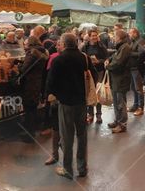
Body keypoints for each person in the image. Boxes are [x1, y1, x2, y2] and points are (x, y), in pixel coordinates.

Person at [46, 33, 89, 179]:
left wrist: (52, 95)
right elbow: (93, 76)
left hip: (65, 103)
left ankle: (68, 169)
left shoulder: (58, 60)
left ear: (63, 44)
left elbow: (51, 82)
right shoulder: (84, 57)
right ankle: (82, 168)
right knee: (82, 135)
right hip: (82, 102)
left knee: (67, 137)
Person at [17, 36, 48, 142]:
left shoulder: (32, 53)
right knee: (33, 109)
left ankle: (29, 135)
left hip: (29, 84)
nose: (24, 45)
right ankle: (32, 132)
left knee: (29, 109)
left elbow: (25, 69)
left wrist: (17, 67)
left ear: (30, 44)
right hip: (37, 83)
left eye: (25, 44)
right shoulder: (42, 52)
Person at [104, 30, 132, 133]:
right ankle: (117, 120)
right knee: (116, 102)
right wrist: (109, 60)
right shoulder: (121, 46)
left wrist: (108, 66)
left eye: (115, 36)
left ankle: (122, 124)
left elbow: (118, 63)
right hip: (116, 79)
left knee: (121, 103)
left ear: (119, 37)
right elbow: (114, 57)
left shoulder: (125, 47)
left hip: (121, 79)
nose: (113, 38)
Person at [80, 30, 108, 124]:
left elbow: (106, 59)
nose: (94, 37)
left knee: (98, 92)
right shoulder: (85, 46)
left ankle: (99, 114)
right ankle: (90, 114)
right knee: (90, 92)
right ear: (89, 36)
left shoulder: (102, 47)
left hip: (99, 71)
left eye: (96, 35)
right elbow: (82, 57)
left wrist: (98, 61)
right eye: (92, 36)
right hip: (89, 72)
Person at [127, 28, 145, 117]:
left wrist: (129, 53)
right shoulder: (132, 41)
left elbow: (141, 54)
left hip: (137, 68)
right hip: (132, 68)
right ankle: (135, 105)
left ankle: (140, 107)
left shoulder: (140, 41)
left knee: (139, 89)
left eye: (130, 33)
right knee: (134, 88)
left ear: (135, 33)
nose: (129, 34)